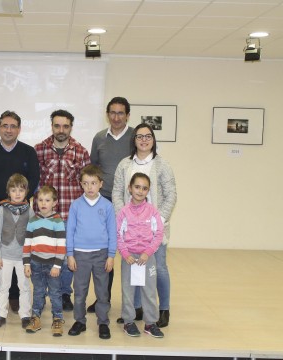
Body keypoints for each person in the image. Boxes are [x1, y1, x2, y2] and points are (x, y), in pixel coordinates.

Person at [113, 123, 177, 328]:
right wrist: (123, 218)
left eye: (147, 136)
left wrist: (159, 221)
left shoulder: (162, 165)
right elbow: (116, 192)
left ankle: (163, 308)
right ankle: (136, 308)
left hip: (153, 231)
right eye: (139, 136)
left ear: (153, 139)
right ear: (134, 140)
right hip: (130, 233)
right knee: (134, 268)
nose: (143, 140)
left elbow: (171, 195)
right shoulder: (124, 164)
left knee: (158, 268)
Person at [0, 110, 40, 310]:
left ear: (19, 129)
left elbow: (34, 179)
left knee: (16, 249)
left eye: (13, 126)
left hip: (20, 211)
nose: (8, 130)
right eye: (5, 125)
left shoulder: (28, 152)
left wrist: (16, 203)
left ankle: (14, 295)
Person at [34, 109, 90, 311]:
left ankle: (64, 294)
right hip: (45, 217)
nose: (61, 130)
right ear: (52, 126)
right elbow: (35, 183)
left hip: (69, 216)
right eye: (57, 125)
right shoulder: (39, 150)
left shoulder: (80, 152)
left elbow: (87, 186)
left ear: (71, 127)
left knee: (66, 258)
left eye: (65, 126)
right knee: (44, 256)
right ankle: (43, 292)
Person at [88, 97, 134, 313]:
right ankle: (102, 299)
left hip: (130, 205)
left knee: (132, 251)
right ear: (108, 114)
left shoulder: (136, 137)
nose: (116, 117)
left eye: (121, 113)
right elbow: (94, 168)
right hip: (103, 203)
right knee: (104, 253)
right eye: (113, 113)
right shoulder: (99, 138)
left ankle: (135, 303)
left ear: (127, 115)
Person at [66, 165, 117, 340]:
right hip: (80, 255)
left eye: (93, 183)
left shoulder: (107, 206)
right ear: (81, 184)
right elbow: (70, 230)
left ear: (101, 184)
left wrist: (111, 256)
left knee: (102, 292)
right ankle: (80, 321)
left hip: (101, 254)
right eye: (86, 183)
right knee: (80, 291)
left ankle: (103, 322)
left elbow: (112, 232)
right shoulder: (76, 205)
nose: (90, 187)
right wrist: (70, 254)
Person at [117, 173, 165, 338]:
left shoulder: (152, 212)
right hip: (128, 258)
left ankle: (150, 323)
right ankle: (128, 322)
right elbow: (118, 235)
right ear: (130, 188)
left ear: (148, 191)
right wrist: (125, 253)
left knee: (149, 290)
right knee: (128, 291)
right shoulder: (123, 212)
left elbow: (158, 234)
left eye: (144, 188)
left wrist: (147, 253)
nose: (140, 191)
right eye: (137, 187)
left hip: (147, 258)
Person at [0, 173, 33, 329]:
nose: (17, 194)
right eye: (14, 190)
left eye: (21, 190)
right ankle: (0, 314)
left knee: (24, 286)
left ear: (26, 192)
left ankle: (25, 315)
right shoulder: (1, 210)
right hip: (6, 255)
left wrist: (30, 257)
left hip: (23, 257)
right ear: (8, 191)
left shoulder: (30, 211)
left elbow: (33, 235)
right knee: (3, 285)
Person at [23, 186, 66, 336]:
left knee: (55, 292)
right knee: (38, 292)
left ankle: (58, 318)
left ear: (55, 202)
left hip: (52, 265)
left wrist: (57, 265)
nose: (43, 203)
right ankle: (36, 318)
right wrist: (27, 263)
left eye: (47, 200)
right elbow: (27, 243)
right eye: (40, 200)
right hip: (35, 264)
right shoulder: (32, 221)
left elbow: (61, 246)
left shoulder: (58, 221)